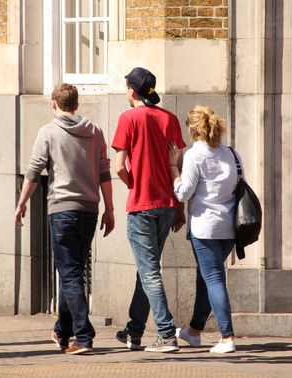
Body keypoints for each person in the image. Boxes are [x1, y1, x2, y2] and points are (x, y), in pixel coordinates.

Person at [15, 83, 115, 355]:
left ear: (53, 104)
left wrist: (22, 203)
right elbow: (105, 171)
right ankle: (63, 331)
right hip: (90, 211)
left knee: (69, 274)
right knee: (72, 272)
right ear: (77, 104)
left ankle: (83, 336)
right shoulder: (95, 131)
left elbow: (34, 172)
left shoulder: (48, 131)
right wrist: (110, 208)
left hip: (62, 211)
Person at [112, 67, 186, 353]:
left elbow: (118, 166)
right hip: (167, 204)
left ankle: (167, 335)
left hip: (142, 205)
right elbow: (176, 166)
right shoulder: (169, 118)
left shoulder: (128, 118)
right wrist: (180, 209)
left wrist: (135, 185)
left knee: (150, 271)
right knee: (146, 270)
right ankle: (134, 331)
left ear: (132, 90)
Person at [168, 105, 241, 353]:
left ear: (192, 129)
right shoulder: (231, 153)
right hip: (229, 228)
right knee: (205, 278)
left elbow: (184, 192)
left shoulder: (194, 154)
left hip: (206, 228)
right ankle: (194, 331)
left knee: (213, 279)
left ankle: (227, 337)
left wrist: (173, 170)